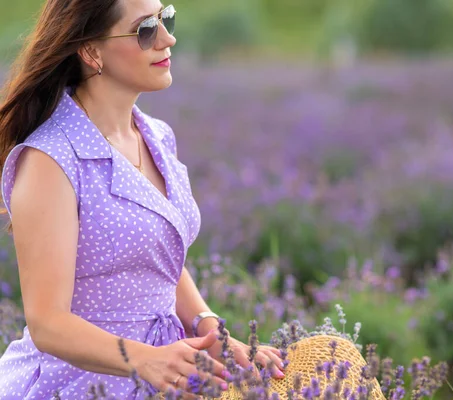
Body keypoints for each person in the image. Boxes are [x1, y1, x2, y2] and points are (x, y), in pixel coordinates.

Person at [0, 0, 285, 398]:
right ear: (91, 51)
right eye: (146, 29)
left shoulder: (155, 135)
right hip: (84, 380)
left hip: (171, 366)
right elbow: (47, 323)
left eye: (165, 19)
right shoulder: (51, 160)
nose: (168, 38)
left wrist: (208, 327)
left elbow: (157, 254)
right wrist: (144, 359)